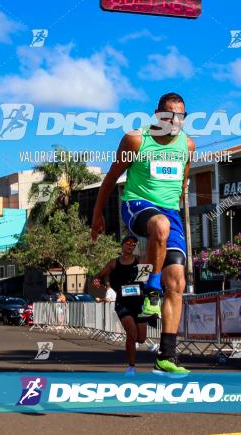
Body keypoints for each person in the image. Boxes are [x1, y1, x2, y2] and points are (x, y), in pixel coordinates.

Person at [91, 92, 195, 375]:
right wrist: (97, 214)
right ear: (157, 114)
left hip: (170, 214)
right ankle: (150, 291)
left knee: (177, 282)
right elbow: (111, 178)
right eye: (169, 115)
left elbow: (182, 183)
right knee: (158, 225)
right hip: (137, 205)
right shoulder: (136, 140)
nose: (174, 121)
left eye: (180, 116)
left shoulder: (187, 145)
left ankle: (167, 356)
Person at [93, 235, 149, 375]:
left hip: (139, 302)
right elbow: (99, 275)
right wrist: (97, 280)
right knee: (132, 333)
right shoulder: (114, 263)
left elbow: (146, 280)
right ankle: (131, 366)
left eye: (134, 244)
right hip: (123, 303)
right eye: (128, 243)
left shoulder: (139, 260)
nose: (131, 246)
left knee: (141, 338)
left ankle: (131, 345)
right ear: (122, 245)